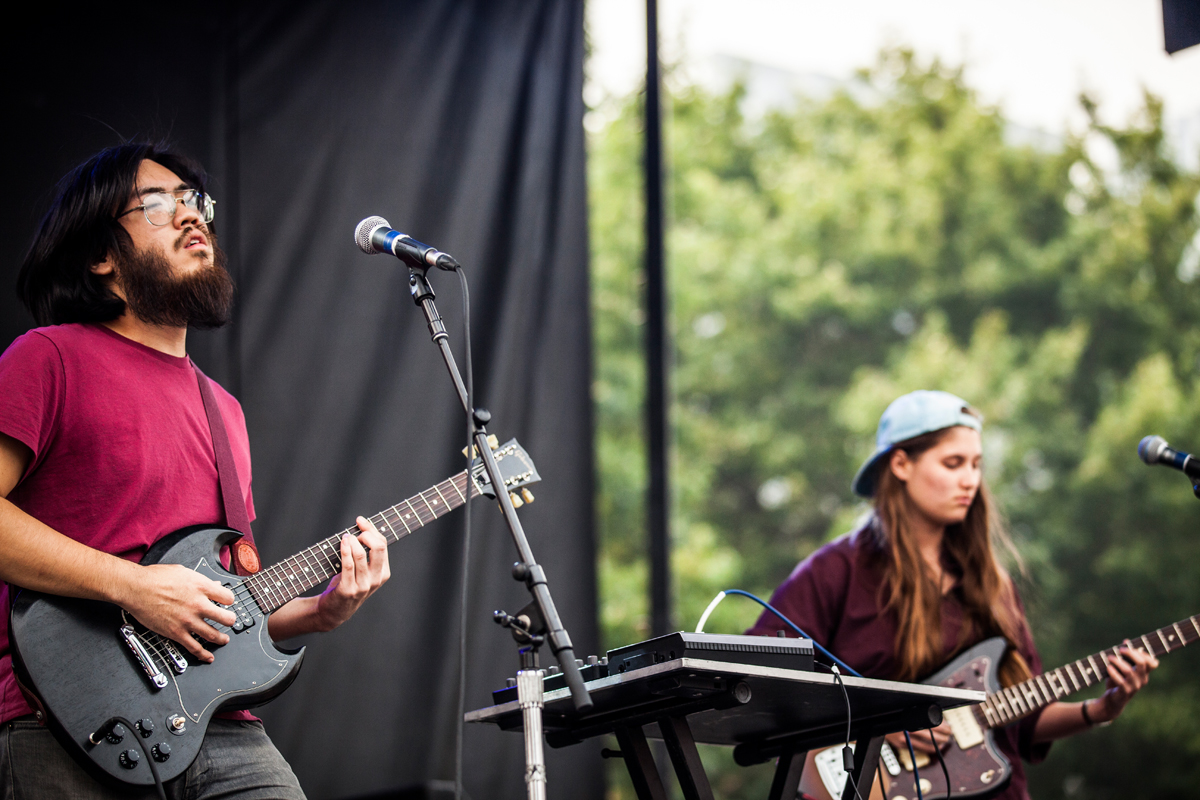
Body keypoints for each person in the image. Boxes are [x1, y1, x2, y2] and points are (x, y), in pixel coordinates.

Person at [0, 142, 391, 799]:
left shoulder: (225, 412)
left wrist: (321, 614)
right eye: (157, 204)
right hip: (70, 720)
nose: (190, 217)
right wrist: (133, 586)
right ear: (101, 256)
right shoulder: (48, 358)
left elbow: (228, 606)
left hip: (223, 729)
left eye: (194, 202)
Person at [746, 390, 1157, 800]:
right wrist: (880, 724)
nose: (970, 480)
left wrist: (1102, 709)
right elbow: (758, 673)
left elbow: (1026, 719)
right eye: (953, 463)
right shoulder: (836, 571)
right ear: (901, 464)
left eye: (977, 465)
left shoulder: (994, 585)